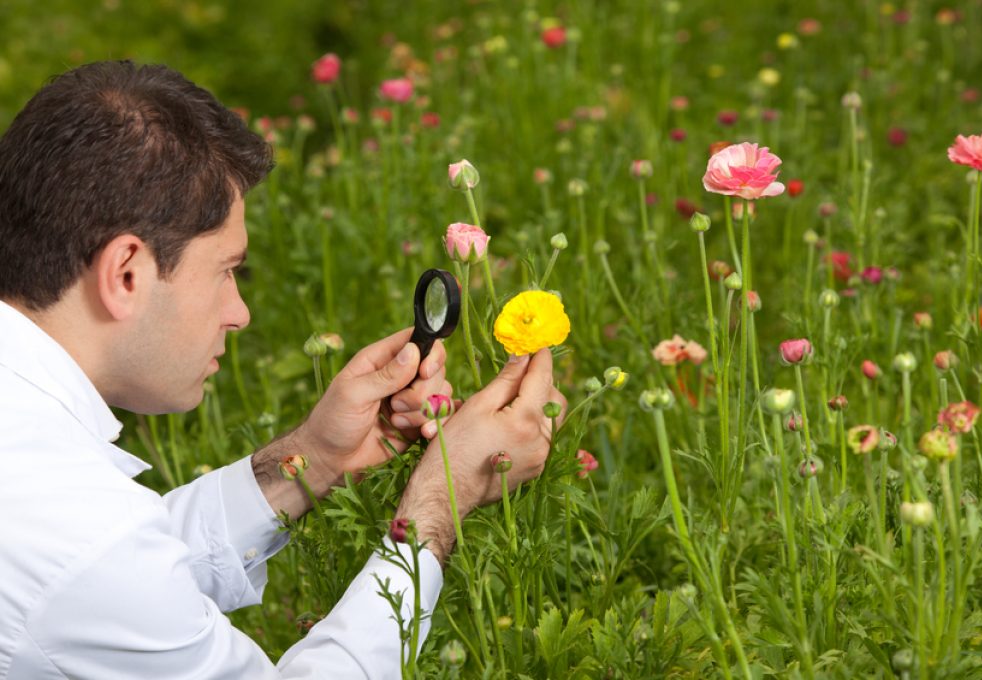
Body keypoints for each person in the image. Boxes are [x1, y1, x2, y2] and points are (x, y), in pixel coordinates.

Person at [0, 61, 566, 679]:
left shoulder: (45, 485)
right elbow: (98, 566)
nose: (238, 313)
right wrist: (438, 502)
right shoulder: (75, 536)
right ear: (126, 272)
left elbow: (122, 575)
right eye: (226, 270)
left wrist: (313, 458)